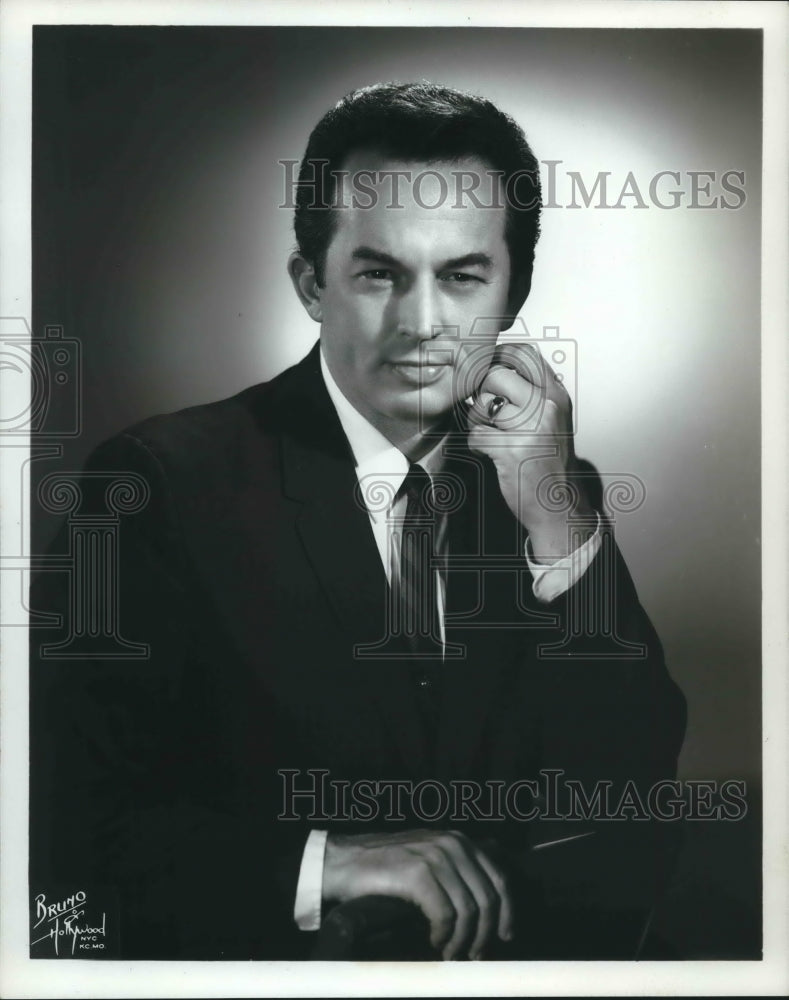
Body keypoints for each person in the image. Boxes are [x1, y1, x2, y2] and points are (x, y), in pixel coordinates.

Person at [29, 82, 686, 961]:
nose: (420, 325)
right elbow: (64, 835)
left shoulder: (546, 488)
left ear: (514, 294)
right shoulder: (150, 485)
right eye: (379, 273)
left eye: (461, 277)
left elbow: (635, 782)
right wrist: (323, 863)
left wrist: (555, 510)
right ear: (311, 282)